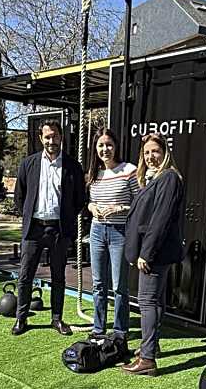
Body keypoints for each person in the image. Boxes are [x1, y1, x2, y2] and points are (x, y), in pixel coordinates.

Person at [12, 119, 86, 336]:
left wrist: (67, 220)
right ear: (40, 138)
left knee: (58, 277)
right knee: (25, 275)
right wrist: (28, 216)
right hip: (33, 229)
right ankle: (21, 318)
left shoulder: (73, 166)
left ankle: (57, 319)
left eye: (55, 136)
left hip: (58, 231)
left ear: (61, 137)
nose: (51, 140)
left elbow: (79, 199)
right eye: (47, 137)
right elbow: (20, 196)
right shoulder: (28, 164)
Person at [121, 133, 185, 376]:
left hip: (154, 254)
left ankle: (147, 359)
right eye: (146, 152)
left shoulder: (168, 177)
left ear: (165, 152)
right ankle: (151, 347)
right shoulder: (154, 179)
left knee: (147, 302)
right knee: (155, 302)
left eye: (155, 151)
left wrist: (145, 253)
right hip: (156, 252)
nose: (150, 157)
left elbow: (160, 219)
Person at [87, 128, 139, 339]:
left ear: (116, 146)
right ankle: (98, 328)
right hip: (97, 230)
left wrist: (121, 208)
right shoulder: (94, 173)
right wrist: (92, 208)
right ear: (95, 148)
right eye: (100, 145)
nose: (105, 149)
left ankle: (120, 330)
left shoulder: (129, 170)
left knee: (119, 286)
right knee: (99, 284)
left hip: (119, 232)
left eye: (108, 144)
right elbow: (89, 202)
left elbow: (140, 202)